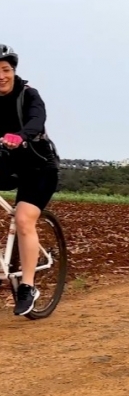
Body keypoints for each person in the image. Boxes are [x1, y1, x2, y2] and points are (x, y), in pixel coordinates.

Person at [0, 44, 60, 316]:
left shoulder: (28, 95)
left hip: (38, 167)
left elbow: (37, 119)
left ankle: (27, 286)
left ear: (13, 71)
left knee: (24, 219)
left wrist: (21, 135)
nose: (2, 76)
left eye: (6, 70)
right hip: (8, 166)